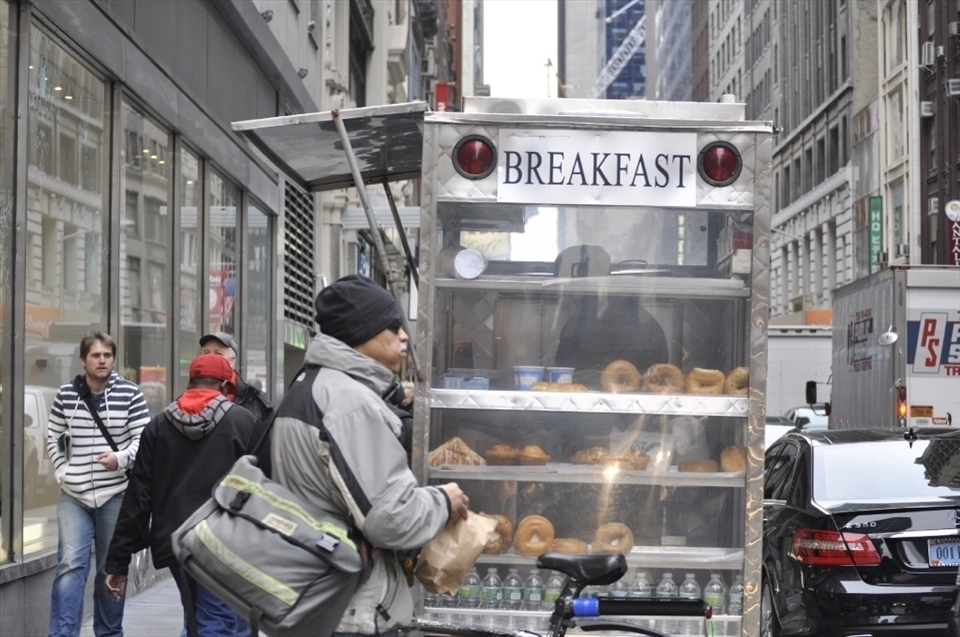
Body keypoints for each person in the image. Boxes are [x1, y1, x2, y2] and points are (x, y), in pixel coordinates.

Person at [256, 274, 469, 637]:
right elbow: (390, 520)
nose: (404, 335)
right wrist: (443, 500)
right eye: (391, 326)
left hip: (315, 598)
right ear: (360, 331)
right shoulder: (349, 403)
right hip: (349, 609)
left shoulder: (310, 385)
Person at [104, 353, 265, 637]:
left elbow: (138, 498)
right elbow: (263, 487)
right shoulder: (244, 422)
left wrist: (118, 562)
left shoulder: (158, 427)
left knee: (198, 620)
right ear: (226, 387)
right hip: (224, 543)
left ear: (190, 383)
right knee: (216, 622)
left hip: (176, 543)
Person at [45, 331, 151, 637]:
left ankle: (108, 632)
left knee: (110, 569)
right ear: (83, 360)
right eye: (95, 355)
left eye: (107, 355)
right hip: (73, 497)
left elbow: (142, 440)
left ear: (113, 359)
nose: (102, 360)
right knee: (70, 567)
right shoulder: (67, 394)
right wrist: (62, 470)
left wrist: (119, 459)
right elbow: (52, 434)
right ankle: (63, 634)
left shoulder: (130, 394)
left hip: (115, 496)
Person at [198, 332, 275, 424]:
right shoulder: (187, 399)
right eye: (206, 353)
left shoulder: (255, 402)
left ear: (232, 361)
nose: (210, 358)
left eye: (218, 353)